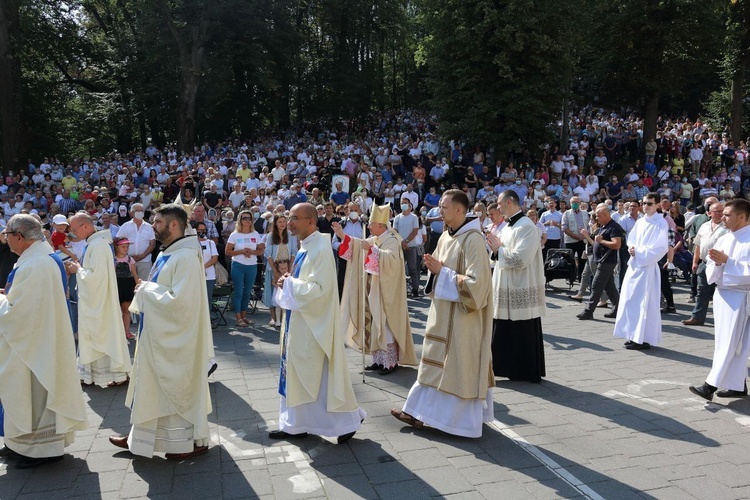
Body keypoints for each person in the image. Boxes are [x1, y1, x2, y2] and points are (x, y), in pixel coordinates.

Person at [109, 204, 213, 459]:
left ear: (174, 225)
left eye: (156, 222)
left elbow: (181, 301)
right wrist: (148, 288)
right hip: (157, 334)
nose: (152, 226)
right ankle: (141, 437)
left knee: (173, 388)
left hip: (176, 340)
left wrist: (146, 290)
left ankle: (184, 441)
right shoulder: (170, 253)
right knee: (150, 387)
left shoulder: (186, 257)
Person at [391, 189, 494, 438]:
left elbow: (477, 286)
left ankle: (459, 423)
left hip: (463, 319)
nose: (439, 211)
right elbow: (436, 270)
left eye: (444, 207)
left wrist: (442, 272)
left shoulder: (474, 240)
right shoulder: (447, 236)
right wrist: (434, 270)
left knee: (458, 368)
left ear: (459, 210)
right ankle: (416, 411)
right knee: (432, 364)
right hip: (443, 315)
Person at [269, 203, 365, 443]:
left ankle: (347, 422)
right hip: (301, 321)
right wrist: (290, 280)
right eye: (288, 218)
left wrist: (290, 284)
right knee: (301, 374)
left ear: (311, 221)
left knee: (320, 377)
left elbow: (320, 290)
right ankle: (295, 424)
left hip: (314, 326)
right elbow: (305, 282)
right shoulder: (306, 246)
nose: (289, 223)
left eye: (294, 218)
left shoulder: (320, 249)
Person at [0, 214, 88, 469]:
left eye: (8, 235)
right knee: (24, 391)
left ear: (20, 236)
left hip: (35, 344)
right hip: (37, 339)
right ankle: (20, 444)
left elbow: (20, 313)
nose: (6, 241)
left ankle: (42, 449)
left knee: (34, 392)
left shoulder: (36, 264)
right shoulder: (37, 258)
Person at [334, 204, 418, 376]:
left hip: (387, 291)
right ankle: (378, 361)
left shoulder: (392, 240)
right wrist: (342, 236)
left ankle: (390, 362)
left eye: (372, 224)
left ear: (381, 226)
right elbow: (359, 245)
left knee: (385, 326)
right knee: (374, 324)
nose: (369, 226)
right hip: (373, 290)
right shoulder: (377, 239)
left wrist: (373, 250)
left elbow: (392, 262)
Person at [689, 199, 750, 401]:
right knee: (725, 343)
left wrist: (728, 262)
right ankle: (737, 385)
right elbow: (711, 268)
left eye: (727, 215)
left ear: (742, 217)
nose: (721, 218)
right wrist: (717, 264)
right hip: (723, 295)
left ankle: (710, 386)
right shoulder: (725, 238)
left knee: (731, 344)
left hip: (741, 297)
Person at [66, 213, 132, 387]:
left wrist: (77, 269)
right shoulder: (94, 244)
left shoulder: (98, 245)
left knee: (102, 335)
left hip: (99, 301)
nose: (72, 234)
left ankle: (118, 375)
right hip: (96, 300)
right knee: (99, 335)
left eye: (73, 230)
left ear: (85, 226)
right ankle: (91, 375)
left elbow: (96, 278)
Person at [486, 190, 546, 382]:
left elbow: (520, 258)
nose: (497, 207)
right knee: (505, 327)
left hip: (520, 283)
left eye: (499, 203)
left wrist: (497, 249)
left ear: (509, 202)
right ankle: (506, 368)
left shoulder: (526, 226)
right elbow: (502, 252)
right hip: (506, 283)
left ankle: (525, 370)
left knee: (522, 327)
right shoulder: (508, 226)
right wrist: (496, 250)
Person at [613, 193, 669, 350]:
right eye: (644, 203)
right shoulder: (640, 222)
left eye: (649, 203)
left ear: (657, 205)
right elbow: (632, 239)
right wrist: (632, 248)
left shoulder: (661, 223)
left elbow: (660, 247)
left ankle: (642, 338)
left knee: (644, 303)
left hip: (647, 267)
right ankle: (632, 334)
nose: (645, 206)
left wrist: (639, 252)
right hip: (635, 265)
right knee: (630, 300)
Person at [682, 202, 727, 326]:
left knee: (721, 291)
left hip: (721, 264)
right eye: (716, 211)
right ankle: (697, 317)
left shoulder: (727, 227)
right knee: (702, 291)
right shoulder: (704, 226)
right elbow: (698, 245)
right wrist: (695, 262)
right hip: (705, 262)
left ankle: (723, 319)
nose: (719, 213)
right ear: (709, 213)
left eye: (721, 211)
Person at [575, 204, 622, 320]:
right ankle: (618, 309)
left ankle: (588, 311)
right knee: (609, 287)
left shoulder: (613, 227)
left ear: (605, 215)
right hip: (601, 260)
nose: (597, 218)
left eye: (598, 216)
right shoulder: (603, 226)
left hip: (607, 261)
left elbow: (617, 244)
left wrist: (602, 241)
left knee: (596, 285)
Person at [225, 209, 264, 327]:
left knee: (247, 292)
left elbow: (261, 250)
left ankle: (244, 316)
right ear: (240, 220)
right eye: (244, 218)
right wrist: (241, 251)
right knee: (238, 292)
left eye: (249, 218)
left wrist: (252, 252)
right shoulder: (234, 235)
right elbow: (227, 251)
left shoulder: (255, 234)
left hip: (251, 265)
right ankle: (238, 318)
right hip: (238, 265)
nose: (247, 220)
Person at [263, 213, 298, 327]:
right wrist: (275, 270)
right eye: (280, 222)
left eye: (284, 221)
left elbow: (293, 251)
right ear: (275, 223)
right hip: (274, 266)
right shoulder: (270, 236)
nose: (282, 224)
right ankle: (273, 318)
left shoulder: (291, 235)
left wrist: (289, 269)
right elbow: (268, 253)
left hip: (287, 266)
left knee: (286, 291)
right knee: (272, 292)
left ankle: (284, 317)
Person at [116, 203, 156, 280]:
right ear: (131, 213)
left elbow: (152, 243)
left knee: (144, 284)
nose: (140, 212)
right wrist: (128, 256)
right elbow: (119, 241)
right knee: (128, 284)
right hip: (128, 260)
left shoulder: (149, 227)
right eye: (137, 211)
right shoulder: (125, 226)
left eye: (142, 211)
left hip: (145, 261)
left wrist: (143, 255)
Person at [394, 199, 421, 297]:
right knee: (398, 269)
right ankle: (399, 289)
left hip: (411, 247)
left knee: (413, 268)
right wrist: (402, 242)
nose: (403, 205)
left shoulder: (414, 217)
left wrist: (406, 242)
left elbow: (415, 231)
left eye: (405, 203)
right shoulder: (397, 218)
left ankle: (415, 289)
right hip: (400, 246)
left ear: (409, 205)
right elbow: (395, 232)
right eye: (402, 203)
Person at [113, 237, 139, 341]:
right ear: (117, 247)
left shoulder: (130, 259)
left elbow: (134, 273)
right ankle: (116, 333)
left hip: (128, 285)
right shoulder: (113, 259)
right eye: (123, 247)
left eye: (127, 247)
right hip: (117, 285)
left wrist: (138, 285)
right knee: (116, 311)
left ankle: (126, 331)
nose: (126, 249)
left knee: (126, 310)